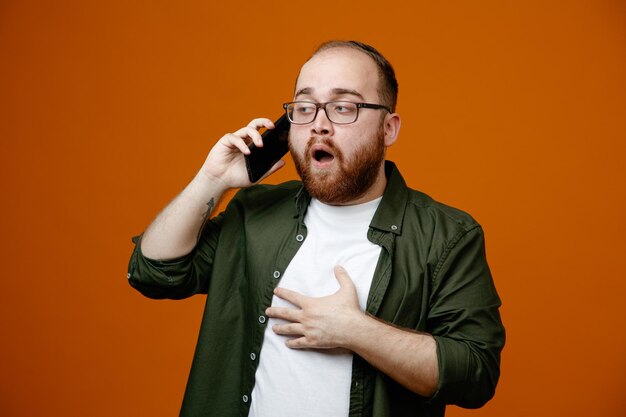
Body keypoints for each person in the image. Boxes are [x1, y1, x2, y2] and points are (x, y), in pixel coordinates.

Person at [127, 40, 505, 417]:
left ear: (388, 129)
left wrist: (356, 330)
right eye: (305, 108)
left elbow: (475, 374)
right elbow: (154, 272)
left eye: (343, 107)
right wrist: (212, 179)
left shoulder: (448, 235)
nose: (319, 125)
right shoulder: (254, 214)